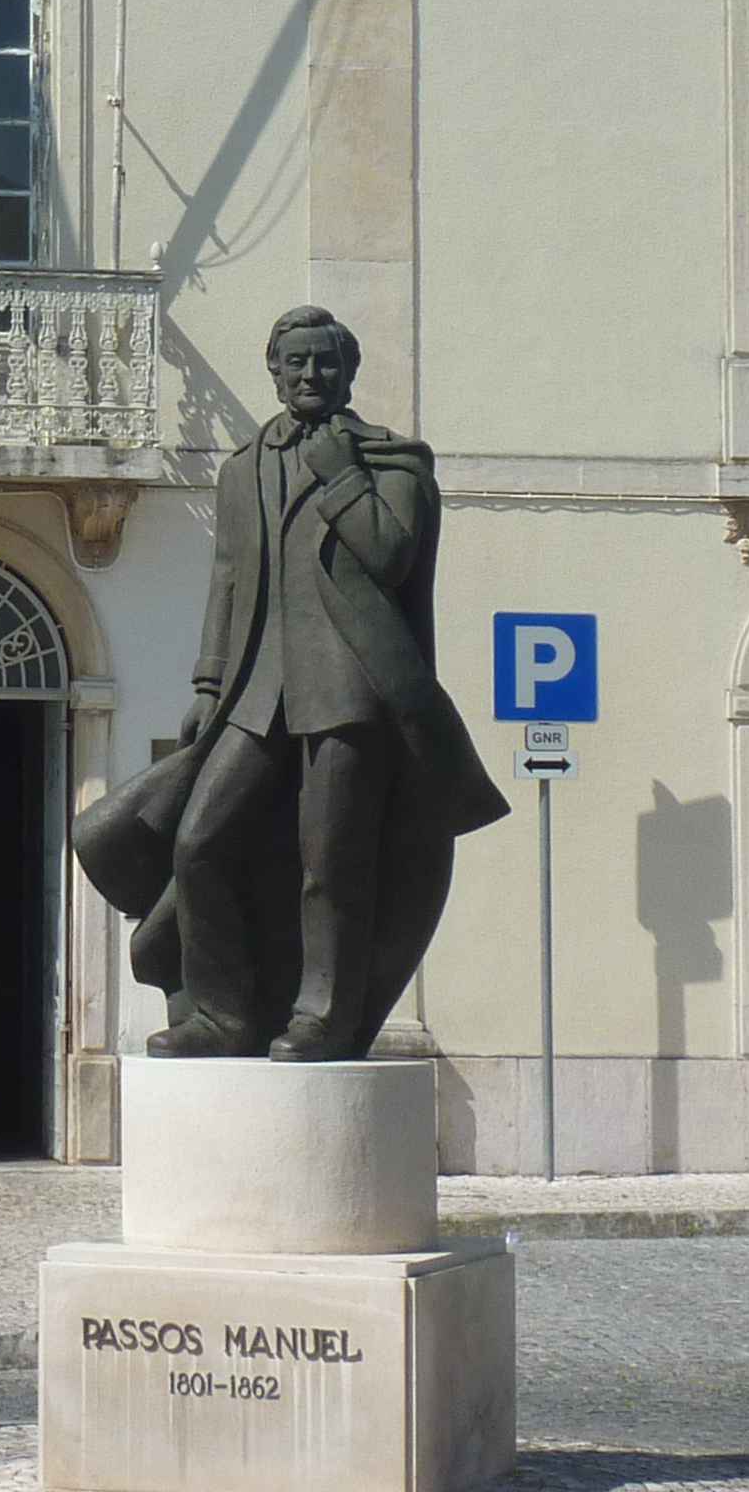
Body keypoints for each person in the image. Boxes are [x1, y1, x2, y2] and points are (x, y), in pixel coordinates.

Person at [72, 307, 510, 1060]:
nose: (310, 377)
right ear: (273, 371)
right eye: (296, 364)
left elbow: (389, 554)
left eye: (326, 364)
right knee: (198, 843)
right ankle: (222, 1013)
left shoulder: (393, 461)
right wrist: (209, 684)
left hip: (350, 689)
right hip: (254, 692)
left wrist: (341, 477)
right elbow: (229, 578)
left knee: (331, 864)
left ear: (348, 373)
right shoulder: (243, 467)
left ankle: (325, 1015)